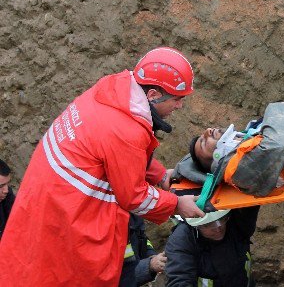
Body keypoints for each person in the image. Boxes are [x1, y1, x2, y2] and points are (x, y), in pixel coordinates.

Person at [0, 47, 205, 286]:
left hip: (46, 202)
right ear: (152, 95)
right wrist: (177, 204)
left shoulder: (111, 91)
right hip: (68, 217)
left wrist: (160, 175)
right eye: (177, 99)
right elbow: (134, 197)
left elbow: (114, 153)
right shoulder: (126, 129)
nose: (180, 106)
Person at [165, 208, 260, 287]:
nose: (218, 228)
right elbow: (179, 280)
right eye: (208, 225)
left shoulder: (235, 222)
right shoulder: (181, 239)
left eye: (222, 219)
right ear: (196, 226)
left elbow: (251, 205)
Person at [119, 214, 167, 287]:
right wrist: (149, 265)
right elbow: (114, 276)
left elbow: (142, 239)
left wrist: (151, 254)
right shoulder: (105, 227)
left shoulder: (133, 214)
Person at [0, 159, 15, 242]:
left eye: (7, 183)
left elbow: (17, 219)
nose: (6, 190)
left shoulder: (7, 195)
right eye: (1, 186)